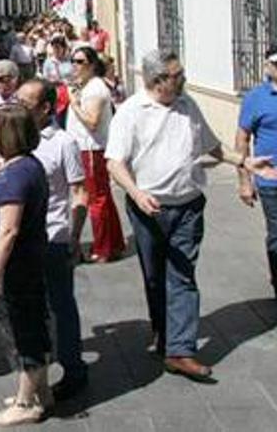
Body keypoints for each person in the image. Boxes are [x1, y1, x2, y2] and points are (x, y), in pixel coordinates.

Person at [105, 50, 277, 380]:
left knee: (182, 276)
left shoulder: (188, 105)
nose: (183, 79)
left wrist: (243, 162)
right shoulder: (130, 112)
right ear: (158, 81)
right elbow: (115, 162)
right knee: (155, 276)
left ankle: (180, 351)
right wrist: (137, 194)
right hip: (149, 211)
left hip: (188, 207)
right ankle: (164, 331)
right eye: (177, 75)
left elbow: (210, 146)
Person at [0, 104, 52, 426]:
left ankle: (25, 403)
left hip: (17, 268)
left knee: (23, 332)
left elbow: (8, 230)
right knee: (31, 326)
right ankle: (40, 392)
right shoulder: (24, 166)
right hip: (28, 262)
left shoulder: (18, 174)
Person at [17, 79, 89, 400]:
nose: (17, 108)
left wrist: (75, 236)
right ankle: (36, 378)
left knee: (60, 306)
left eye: (25, 104)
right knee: (31, 310)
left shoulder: (64, 143)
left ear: (45, 108)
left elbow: (79, 192)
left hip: (53, 236)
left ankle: (73, 368)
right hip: (21, 238)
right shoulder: (17, 139)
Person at [66, 46, 125, 262]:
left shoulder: (95, 89)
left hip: (91, 148)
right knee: (103, 197)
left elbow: (92, 121)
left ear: (91, 65)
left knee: (97, 199)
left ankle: (103, 248)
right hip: (86, 147)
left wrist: (74, 104)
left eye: (80, 61)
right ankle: (114, 242)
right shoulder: (87, 86)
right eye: (73, 61)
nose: (75, 65)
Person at [237, 45, 277, 298]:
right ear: (268, 66)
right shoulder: (255, 97)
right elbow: (242, 139)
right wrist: (245, 182)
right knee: (276, 235)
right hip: (271, 180)